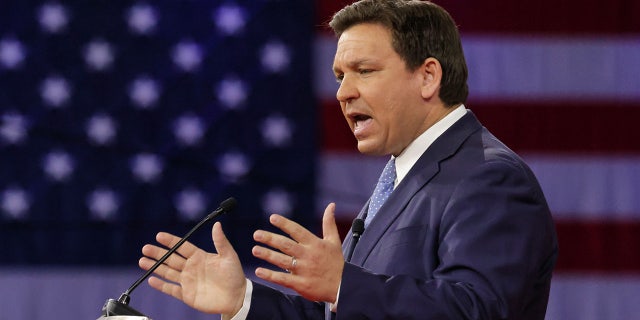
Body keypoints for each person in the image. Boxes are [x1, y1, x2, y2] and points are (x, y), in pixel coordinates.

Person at [138, 0, 559, 319]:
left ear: (428, 76)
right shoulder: (403, 176)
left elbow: (474, 309)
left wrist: (343, 282)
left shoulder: (490, 178)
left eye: (364, 71)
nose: (343, 93)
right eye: (340, 75)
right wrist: (243, 301)